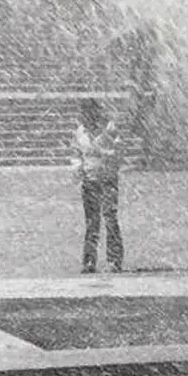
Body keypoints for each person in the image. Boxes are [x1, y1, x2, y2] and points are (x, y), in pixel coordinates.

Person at [71, 98, 124, 274]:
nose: (84, 118)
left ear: (95, 113)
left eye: (87, 114)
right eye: (83, 115)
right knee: (92, 222)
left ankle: (114, 260)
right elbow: (76, 153)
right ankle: (89, 260)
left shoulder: (109, 129)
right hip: (89, 180)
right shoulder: (80, 132)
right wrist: (78, 169)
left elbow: (118, 152)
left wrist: (103, 154)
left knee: (110, 218)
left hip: (107, 179)